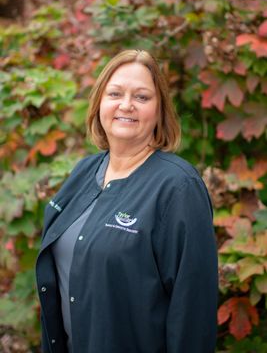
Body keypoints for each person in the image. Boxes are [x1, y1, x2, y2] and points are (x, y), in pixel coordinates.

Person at [36, 50, 218, 353]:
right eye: (115, 93)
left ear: (159, 110)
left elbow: (192, 310)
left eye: (142, 97)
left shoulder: (178, 188)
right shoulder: (84, 171)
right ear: (99, 104)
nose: (126, 105)